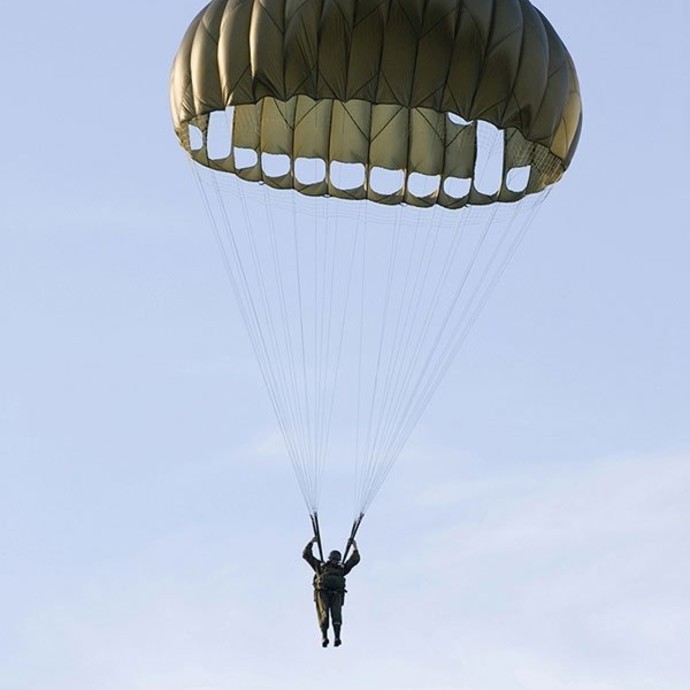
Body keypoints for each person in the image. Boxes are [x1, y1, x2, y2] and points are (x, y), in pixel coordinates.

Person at [302, 536, 360, 647]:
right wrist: (312, 542)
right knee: (324, 614)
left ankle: (337, 637)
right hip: (322, 592)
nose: (335, 562)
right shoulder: (321, 567)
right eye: (333, 560)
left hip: (336, 593)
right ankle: (324, 637)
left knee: (337, 615)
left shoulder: (341, 569)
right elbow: (306, 555)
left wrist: (354, 546)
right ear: (330, 559)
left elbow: (355, 560)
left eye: (336, 560)